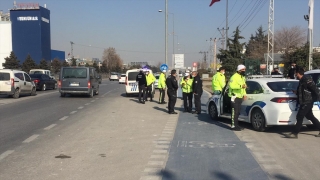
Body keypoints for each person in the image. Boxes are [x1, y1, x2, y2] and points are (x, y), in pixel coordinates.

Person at [285, 67, 320, 138]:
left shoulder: (307, 79)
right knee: (310, 116)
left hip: (307, 101)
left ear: (298, 73)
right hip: (304, 101)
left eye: (296, 74)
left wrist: (318, 98)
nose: (295, 75)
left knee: (300, 116)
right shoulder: (301, 80)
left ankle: (295, 133)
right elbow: (304, 90)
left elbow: (315, 89)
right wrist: (296, 92)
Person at [228, 64, 247, 131]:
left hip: (240, 96)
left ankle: (236, 125)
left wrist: (244, 94)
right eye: (243, 70)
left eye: (244, 69)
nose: (244, 71)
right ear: (239, 70)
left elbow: (244, 87)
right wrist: (240, 86)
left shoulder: (242, 77)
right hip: (234, 96)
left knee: (238, 112)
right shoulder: (234, 77)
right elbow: (232, 86)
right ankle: (233, 125)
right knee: (234, 112)